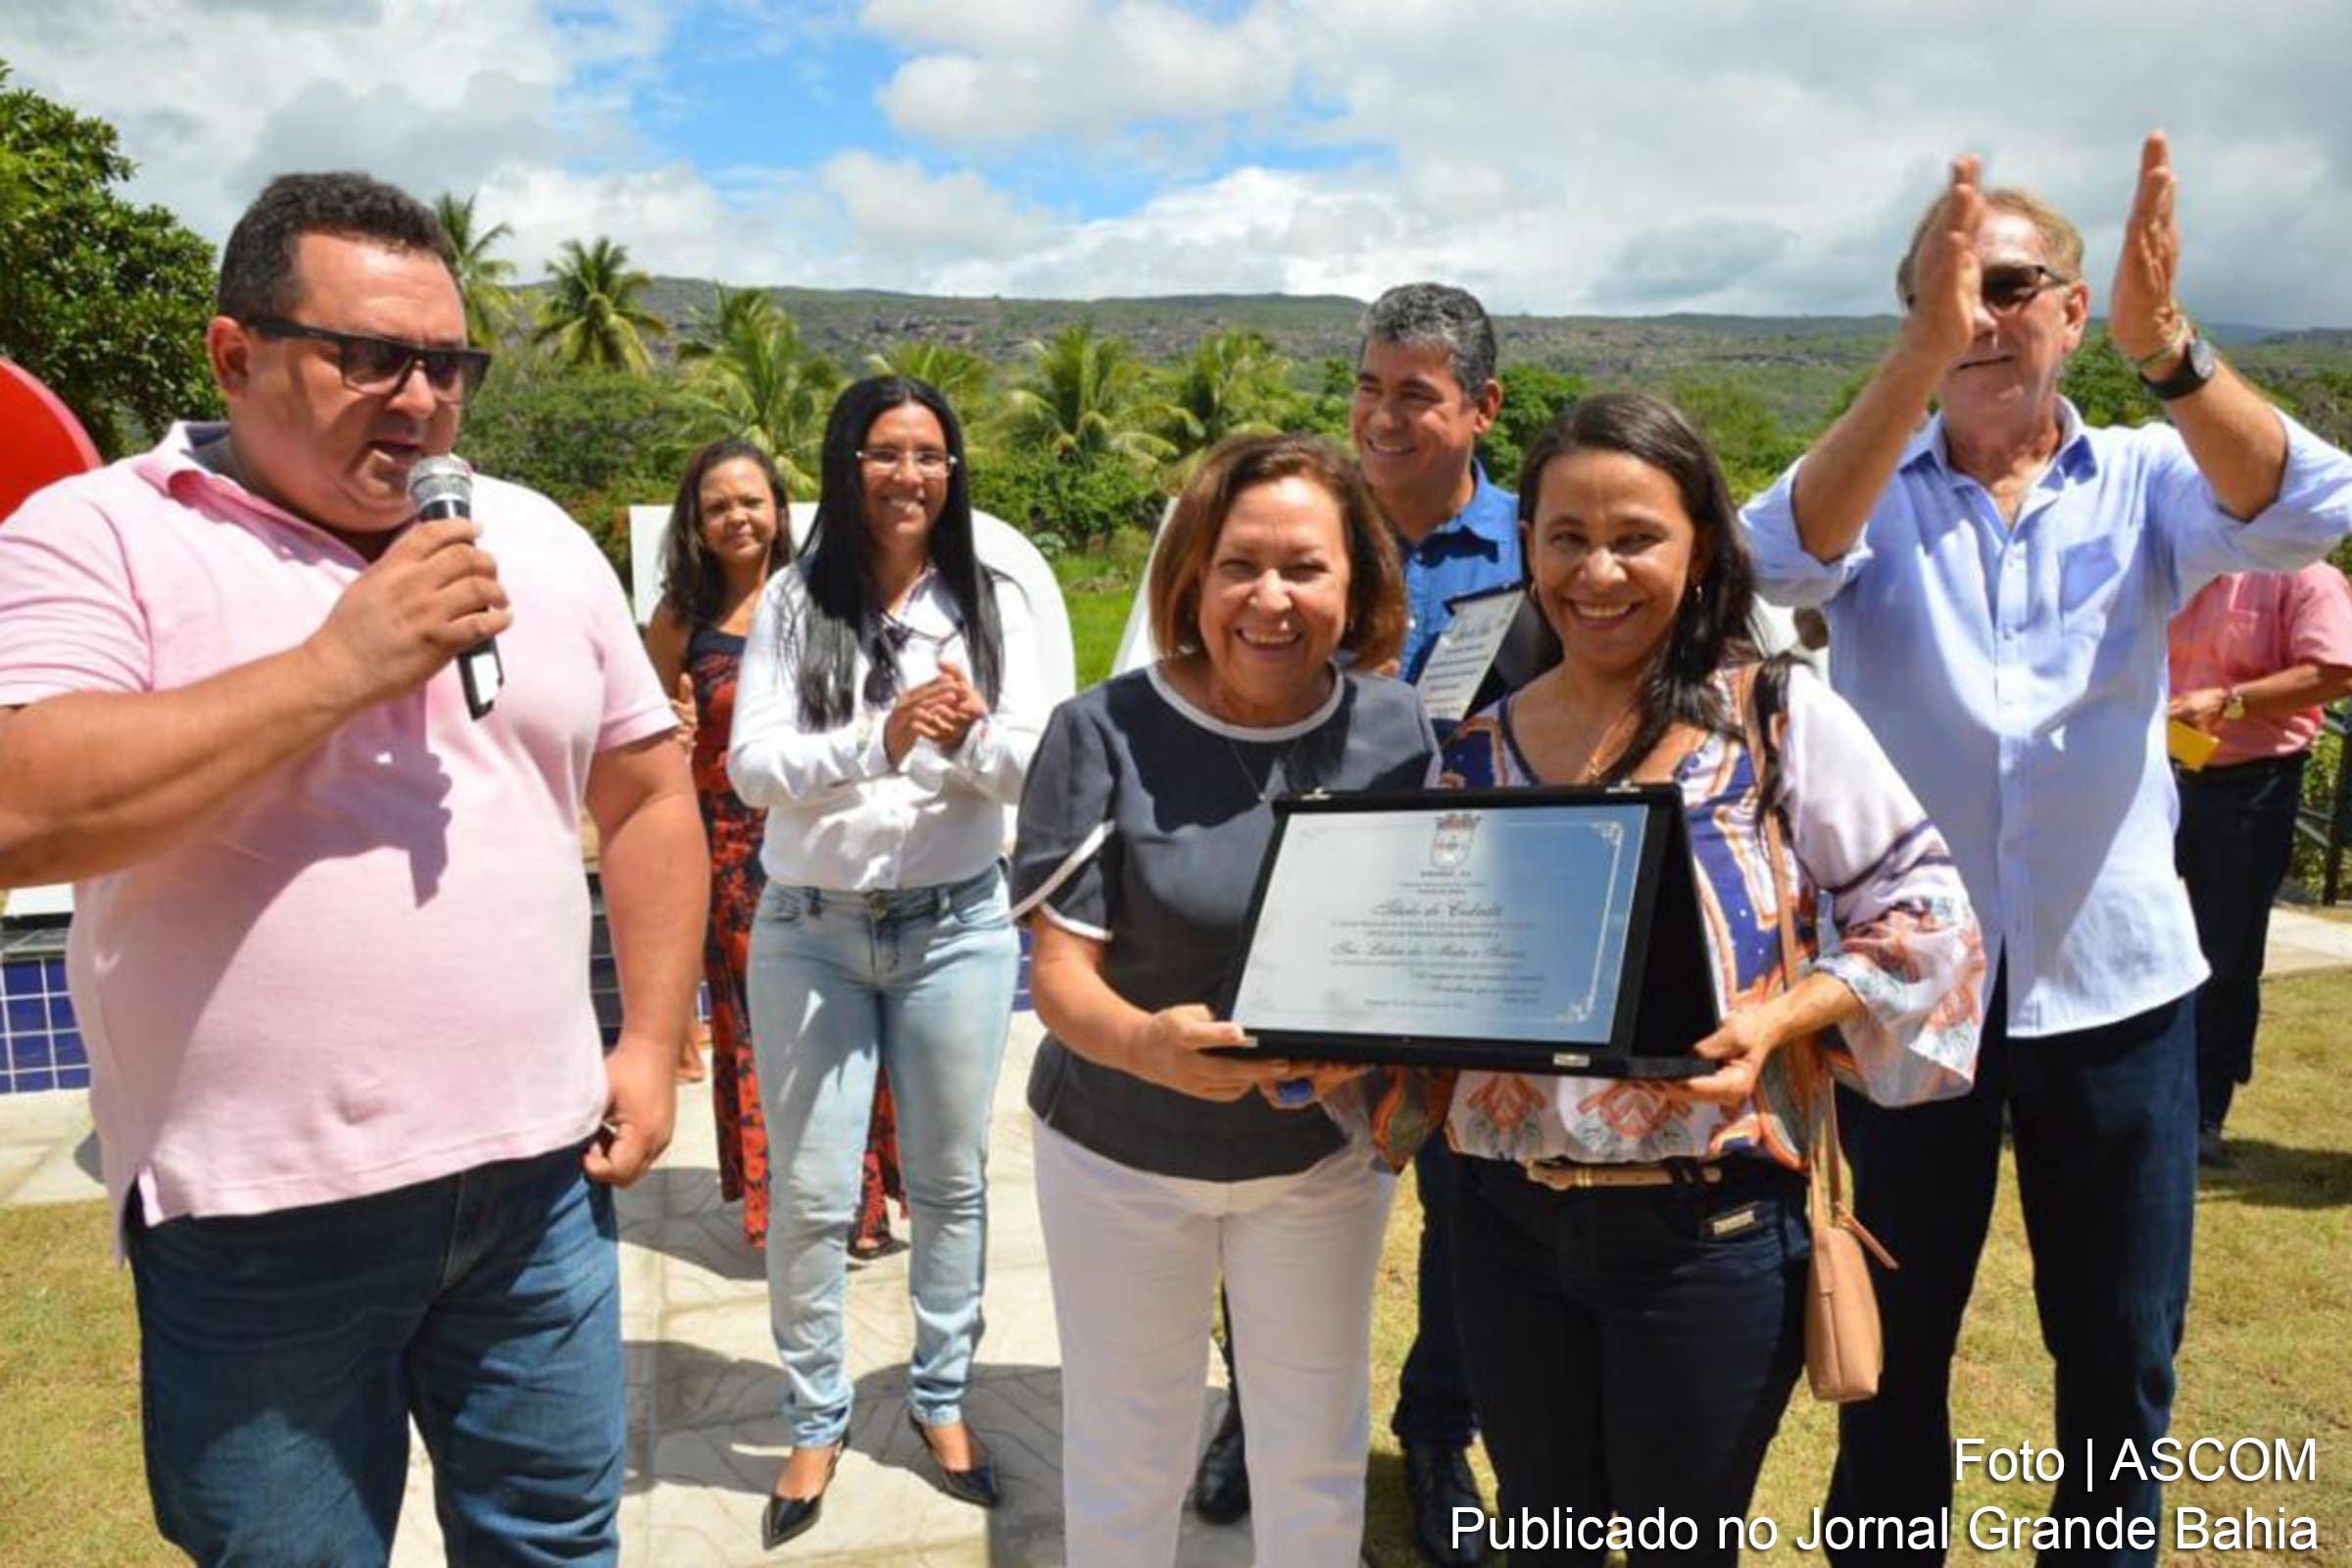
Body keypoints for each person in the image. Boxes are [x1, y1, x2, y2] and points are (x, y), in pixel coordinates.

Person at [0, 171, 703, 1564]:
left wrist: (650, 1038)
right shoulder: (101, 533)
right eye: (370, 357)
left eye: (449, 365)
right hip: (258, 1219)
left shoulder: (533, 537)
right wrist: (341, 664)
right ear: (234, 353)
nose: (422, 400)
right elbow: (24, 811)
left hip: (540, 1190)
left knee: (558, 1542)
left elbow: (646, 792)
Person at [1741, 135, 2352, 1560]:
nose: (1978, 313)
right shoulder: (1875, 488)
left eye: (2008, 284)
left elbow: (2312, 509)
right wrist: (1914, 363)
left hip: (2117, 986)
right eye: (1941, 289)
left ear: (2075, 313)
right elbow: (1770, 561)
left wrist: (2172, 351)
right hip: (1915, 993)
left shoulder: (2144, 476)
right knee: (1894, 1349)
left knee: (2121, 1349)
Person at [1401, 392, 1983, 1566]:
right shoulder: (1472, 750)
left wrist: (1785, 1016)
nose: (1597, 571)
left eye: (1636, 538)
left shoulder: (1774, 718)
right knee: (1547, 1538)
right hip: (1504, 1229)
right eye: (1567, 537)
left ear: (1702, 547)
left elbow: (1931, 914)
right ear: (1528, 549)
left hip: (1705, 1230)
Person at [1014, 432, 1432, 1565]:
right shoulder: (1100, 731)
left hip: (1317, 1161)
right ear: (1192, 574)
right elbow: (1059, 976)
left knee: (1314, 1456)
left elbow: (1415, 935)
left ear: (1359, 582)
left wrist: (1379, 1034)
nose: (1271, 598)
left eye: (1306, 567)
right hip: (1121, 1157)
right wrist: (1149, 1045)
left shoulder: (1396, 731)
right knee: (1128, 1455)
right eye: (1241, 564)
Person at [1191, 281, 1520, 1565]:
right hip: (1310, 917)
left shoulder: (1536, 543)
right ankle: (1257, 1408)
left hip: (1466, 928)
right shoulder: (1307, 535)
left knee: (1466, 1205)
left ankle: (1438, 1433)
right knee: (1273, 1184)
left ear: (1482, 407)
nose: (1381, 417)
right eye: (1368, 388)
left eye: (1415, 395)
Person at [728, 374, 1043, 1548]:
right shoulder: (794, 600)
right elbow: (752, 769)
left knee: (951, 1179)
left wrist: (964, 740)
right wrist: (878, 739)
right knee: (813, 1194)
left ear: (952, 470)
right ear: (846, 463)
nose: (911, 474)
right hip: (811, 928)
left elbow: (1040, 764)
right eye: (886, 452)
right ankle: (816, 1417)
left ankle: (941, 1398)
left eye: (931, 454)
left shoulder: (995, 597)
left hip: (956, 925)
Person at [646, 439, 907, 1257]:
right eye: (717, 506)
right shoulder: (679, 621)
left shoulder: (822, 600)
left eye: (750, 501)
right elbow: (645, 737)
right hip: (728, 856)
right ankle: (796, 1209)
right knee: (769, 1032)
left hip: (824, 842)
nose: (737, 518)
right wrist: (671, 732)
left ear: (779, 510)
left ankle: (862, 1205)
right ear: (695, 523)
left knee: (844, 1020)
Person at [2168, 562, 2352, 1164]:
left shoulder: (2304, 576)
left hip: (2250, 786)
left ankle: (2203, 1111)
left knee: (2226, 952)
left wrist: (2231, 702)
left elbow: (2335, 671)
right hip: (2153, 772)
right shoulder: (2172, 559)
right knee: (2107, 933)